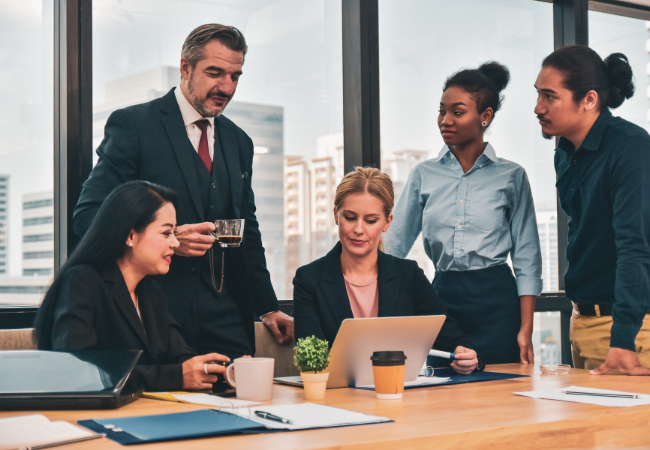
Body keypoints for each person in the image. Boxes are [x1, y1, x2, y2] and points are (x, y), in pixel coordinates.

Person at [71, 24, 292, 361]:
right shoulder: (134, 126)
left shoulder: (239, 142)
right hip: (155, 313)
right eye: (215, 73)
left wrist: (267, 306)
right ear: (185, 68)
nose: (226, 87)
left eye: (235, 76)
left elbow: (247, 228)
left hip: (227, 314)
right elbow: (88, 217)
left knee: (244, 404)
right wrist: (170, 237)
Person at [384, 63, 543, 366]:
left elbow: (527, 258)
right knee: (443, 396)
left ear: (485, 117)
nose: (445, 120)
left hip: (498, 303)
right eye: (441, 111)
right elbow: (393, 247)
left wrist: (526, 329)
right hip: (442, 299)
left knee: (501, 396)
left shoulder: (512, 176)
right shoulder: (423, 174)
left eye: (457, 112)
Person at [33, 181, 231, 391]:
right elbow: (78, 368)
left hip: (146, 413)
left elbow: (180, 357)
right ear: (130, 235)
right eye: (166, 233)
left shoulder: (151, 292)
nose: (175, 243)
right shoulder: (82, 281)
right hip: (91, 417)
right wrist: (174, 377)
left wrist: (221, 371)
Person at [293, 167, 481, 374]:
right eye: (349, 217)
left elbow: (452, 339)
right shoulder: (308, 279)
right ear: (336, 216)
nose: (358, 229)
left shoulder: (409, 275)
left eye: (371, 220)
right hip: (336, 397)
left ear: (387, 222)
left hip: (399, 395)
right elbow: (311, 361)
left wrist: (465, 356)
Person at [534, 45, 650, 376]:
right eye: (538, 95)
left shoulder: (630, 147)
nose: (538, 107)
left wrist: (623, 339)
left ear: (589, 99)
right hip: (582, 323)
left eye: (550, 96)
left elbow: (635, 248)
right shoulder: (564, 152)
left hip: (627, 331)